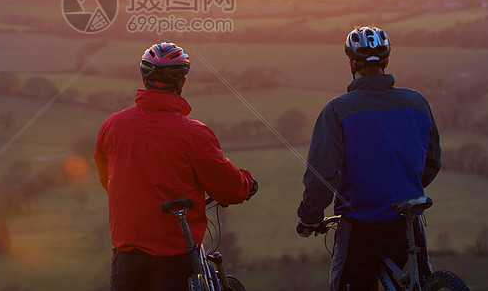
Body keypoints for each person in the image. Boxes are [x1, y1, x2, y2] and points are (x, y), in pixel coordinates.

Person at [95, 42, 257, 291]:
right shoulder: (194, 133)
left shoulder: (112, 126)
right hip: (176, 252)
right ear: (182, 82)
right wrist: (247, 183)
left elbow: (107, 179)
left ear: (143, 77)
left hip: (126, 250)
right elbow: (229, 188)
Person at [296, 26, 441, 291]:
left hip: (360, 227)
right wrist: (400, 185)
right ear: (387, 60)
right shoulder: (417, 103)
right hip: (408, 220)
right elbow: (431, 161)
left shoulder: (337, 110)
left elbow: (322, 174)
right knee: (422, 284)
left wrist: (310, 216)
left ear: (351, 63)